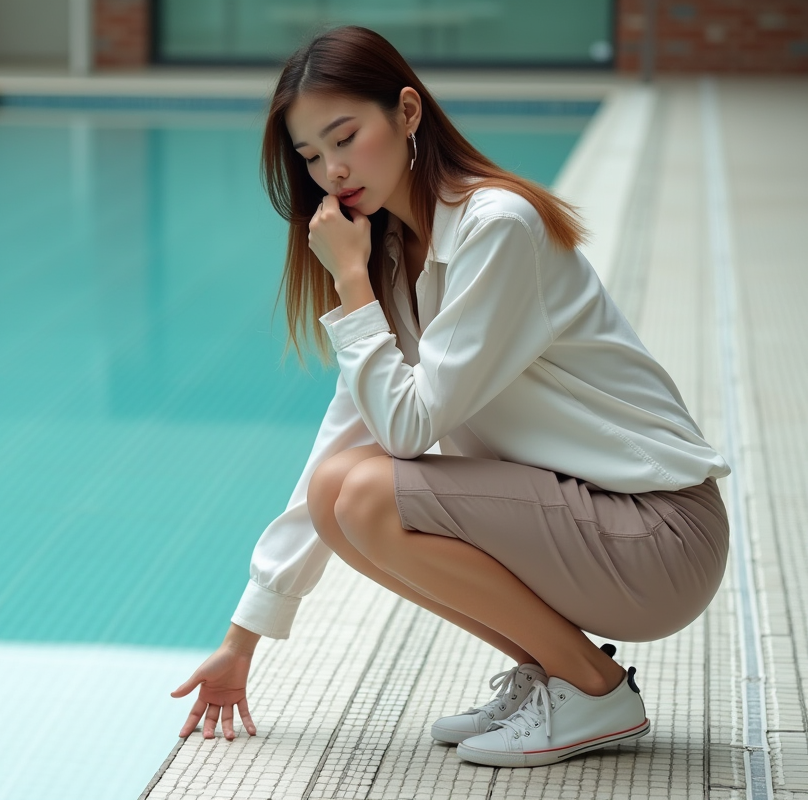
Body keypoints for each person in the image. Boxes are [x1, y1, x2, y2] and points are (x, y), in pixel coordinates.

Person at [170, 25, 731, 769]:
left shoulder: (495, 229)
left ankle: (592, 688)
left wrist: (349, 284)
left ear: (407, 112)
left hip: (659, 537)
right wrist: (242, 640)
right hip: (591, 524)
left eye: (345, 137)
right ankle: (554, 674)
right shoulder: (399, 254)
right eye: (311, 156)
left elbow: (406, 430)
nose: (333, 171)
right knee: (345, 491)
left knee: (370, 492)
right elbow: (343, 440)